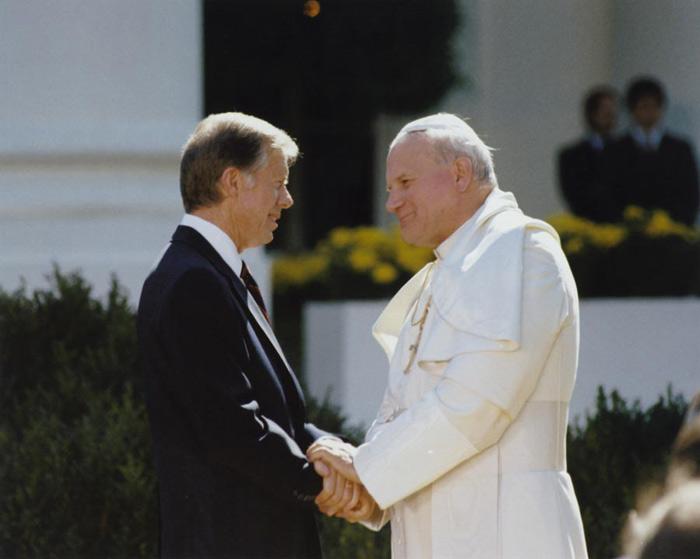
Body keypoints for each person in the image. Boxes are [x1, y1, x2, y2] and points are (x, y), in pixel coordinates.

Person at [310, 113, 589, 558]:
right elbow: (402, 412)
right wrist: (367, 487)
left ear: (459, 173)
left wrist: (364, 468)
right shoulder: (444, 274)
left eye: (404, 182)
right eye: (389, 189)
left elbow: (475, 404)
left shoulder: (520, 251)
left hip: (507, 540)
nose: (392, 203)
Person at [137, 112, 359, 559]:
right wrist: (324, 484)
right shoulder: (192, 282)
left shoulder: (210, 272)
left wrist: (334, 452)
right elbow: (231, 426)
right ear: (232, 182)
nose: (288, 199)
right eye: (277, 183)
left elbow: (275, 412)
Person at [611, 76, 699, 226]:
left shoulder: (679, 148)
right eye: (644, 106)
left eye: (654, 106)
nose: (650, 112)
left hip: (673, 231)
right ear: (632, 110)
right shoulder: (615, 150)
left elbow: (690, 191)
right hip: (627, 232)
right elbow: (611, 192)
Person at [558, 86, 621, 222]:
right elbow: (572, 194)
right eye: (604, 110)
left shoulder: (626, 150)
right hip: (585, 224)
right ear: (591, 113)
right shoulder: (571, 155)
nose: (610, 115)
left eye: (612, 110)